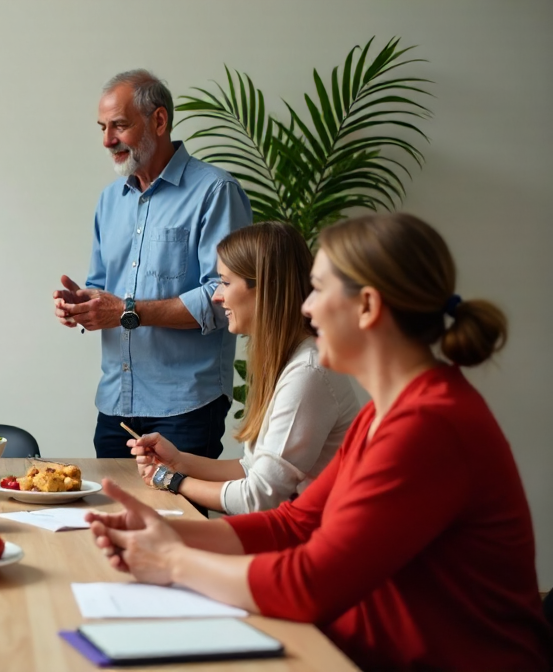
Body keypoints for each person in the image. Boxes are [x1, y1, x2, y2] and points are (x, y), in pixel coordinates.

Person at [86, 213, 552, 670]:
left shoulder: (429, 426)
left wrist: (173, 561)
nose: (306, 307)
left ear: (367, 306)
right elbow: (294, 524)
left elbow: (309, 585)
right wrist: (168, 532)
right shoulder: (383, 414)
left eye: (319, 290)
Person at [53, 69, 251, 460]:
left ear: (159, 121)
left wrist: (126, 312)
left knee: (177, 503)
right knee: (112, 501)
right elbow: (102, 288)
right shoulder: (109, 200)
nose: (107, 140)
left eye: (120, 125)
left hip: (187, 407)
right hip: (116, 404)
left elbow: (225, 297)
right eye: (103, 128)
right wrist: (82, 306)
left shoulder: (215, 192)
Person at [132, 223, 359, 514]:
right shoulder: (289, 360)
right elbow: (251, 469)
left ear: (266, 288)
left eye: (225, 282)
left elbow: (258, 498)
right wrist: (178, 461)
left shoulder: (308, 373)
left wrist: (170, 479)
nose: (216, 296)